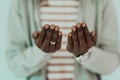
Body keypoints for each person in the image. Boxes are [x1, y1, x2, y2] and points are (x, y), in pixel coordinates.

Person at [6, 0, 120, 80]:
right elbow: (14, 65)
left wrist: (86, 54)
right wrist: (40, 52)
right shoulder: (22, 2)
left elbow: (112, 63)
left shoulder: (101, 2)